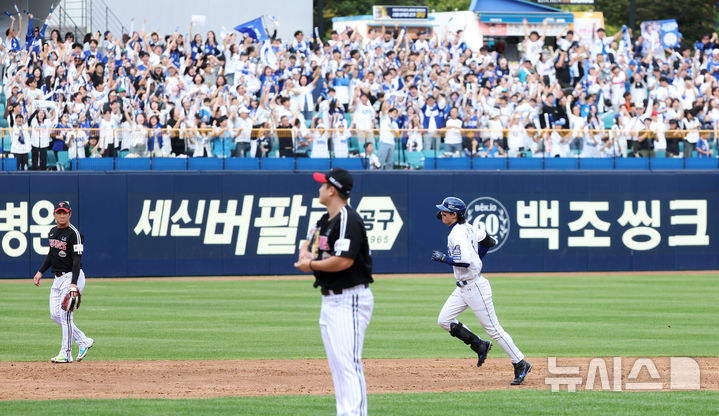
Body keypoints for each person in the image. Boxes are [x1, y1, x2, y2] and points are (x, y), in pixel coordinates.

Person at [294, 168, 374, 416]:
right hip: (330, 300)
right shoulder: (325, 220)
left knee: (348, 364)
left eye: (322, 185)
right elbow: (307, 243)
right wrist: (305, 252)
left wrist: (311, 264)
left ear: (332, 190)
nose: (318, 189)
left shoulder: (348, 219)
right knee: (338, 366)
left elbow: (344, 260)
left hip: (350, 298)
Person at [432, 197, 532, 386]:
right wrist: (478, 256)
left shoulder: (458, 234)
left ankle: (520, 362)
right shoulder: (468, 228)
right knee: (444, 320)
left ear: (454, 215)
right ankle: (479, 345)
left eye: (445, 211)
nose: (442, 213)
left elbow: (465, 261)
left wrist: (444, 258)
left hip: (475, 286)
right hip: (462, 287)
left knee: (493, 329)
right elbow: (489, 241)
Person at [32, 201, 94, 363]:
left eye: (64, 212)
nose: (61, 215)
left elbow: (77, 260)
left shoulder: (75, 234)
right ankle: (83, 341)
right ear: (54, 214)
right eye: (59, 212)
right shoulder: (52, 232)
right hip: (57, 278)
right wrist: (40, 271)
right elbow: (51, 255)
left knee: (65, 315)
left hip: (72, 276)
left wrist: (73, 284)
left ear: (69, 214)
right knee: (55, 315)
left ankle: (66, 353)